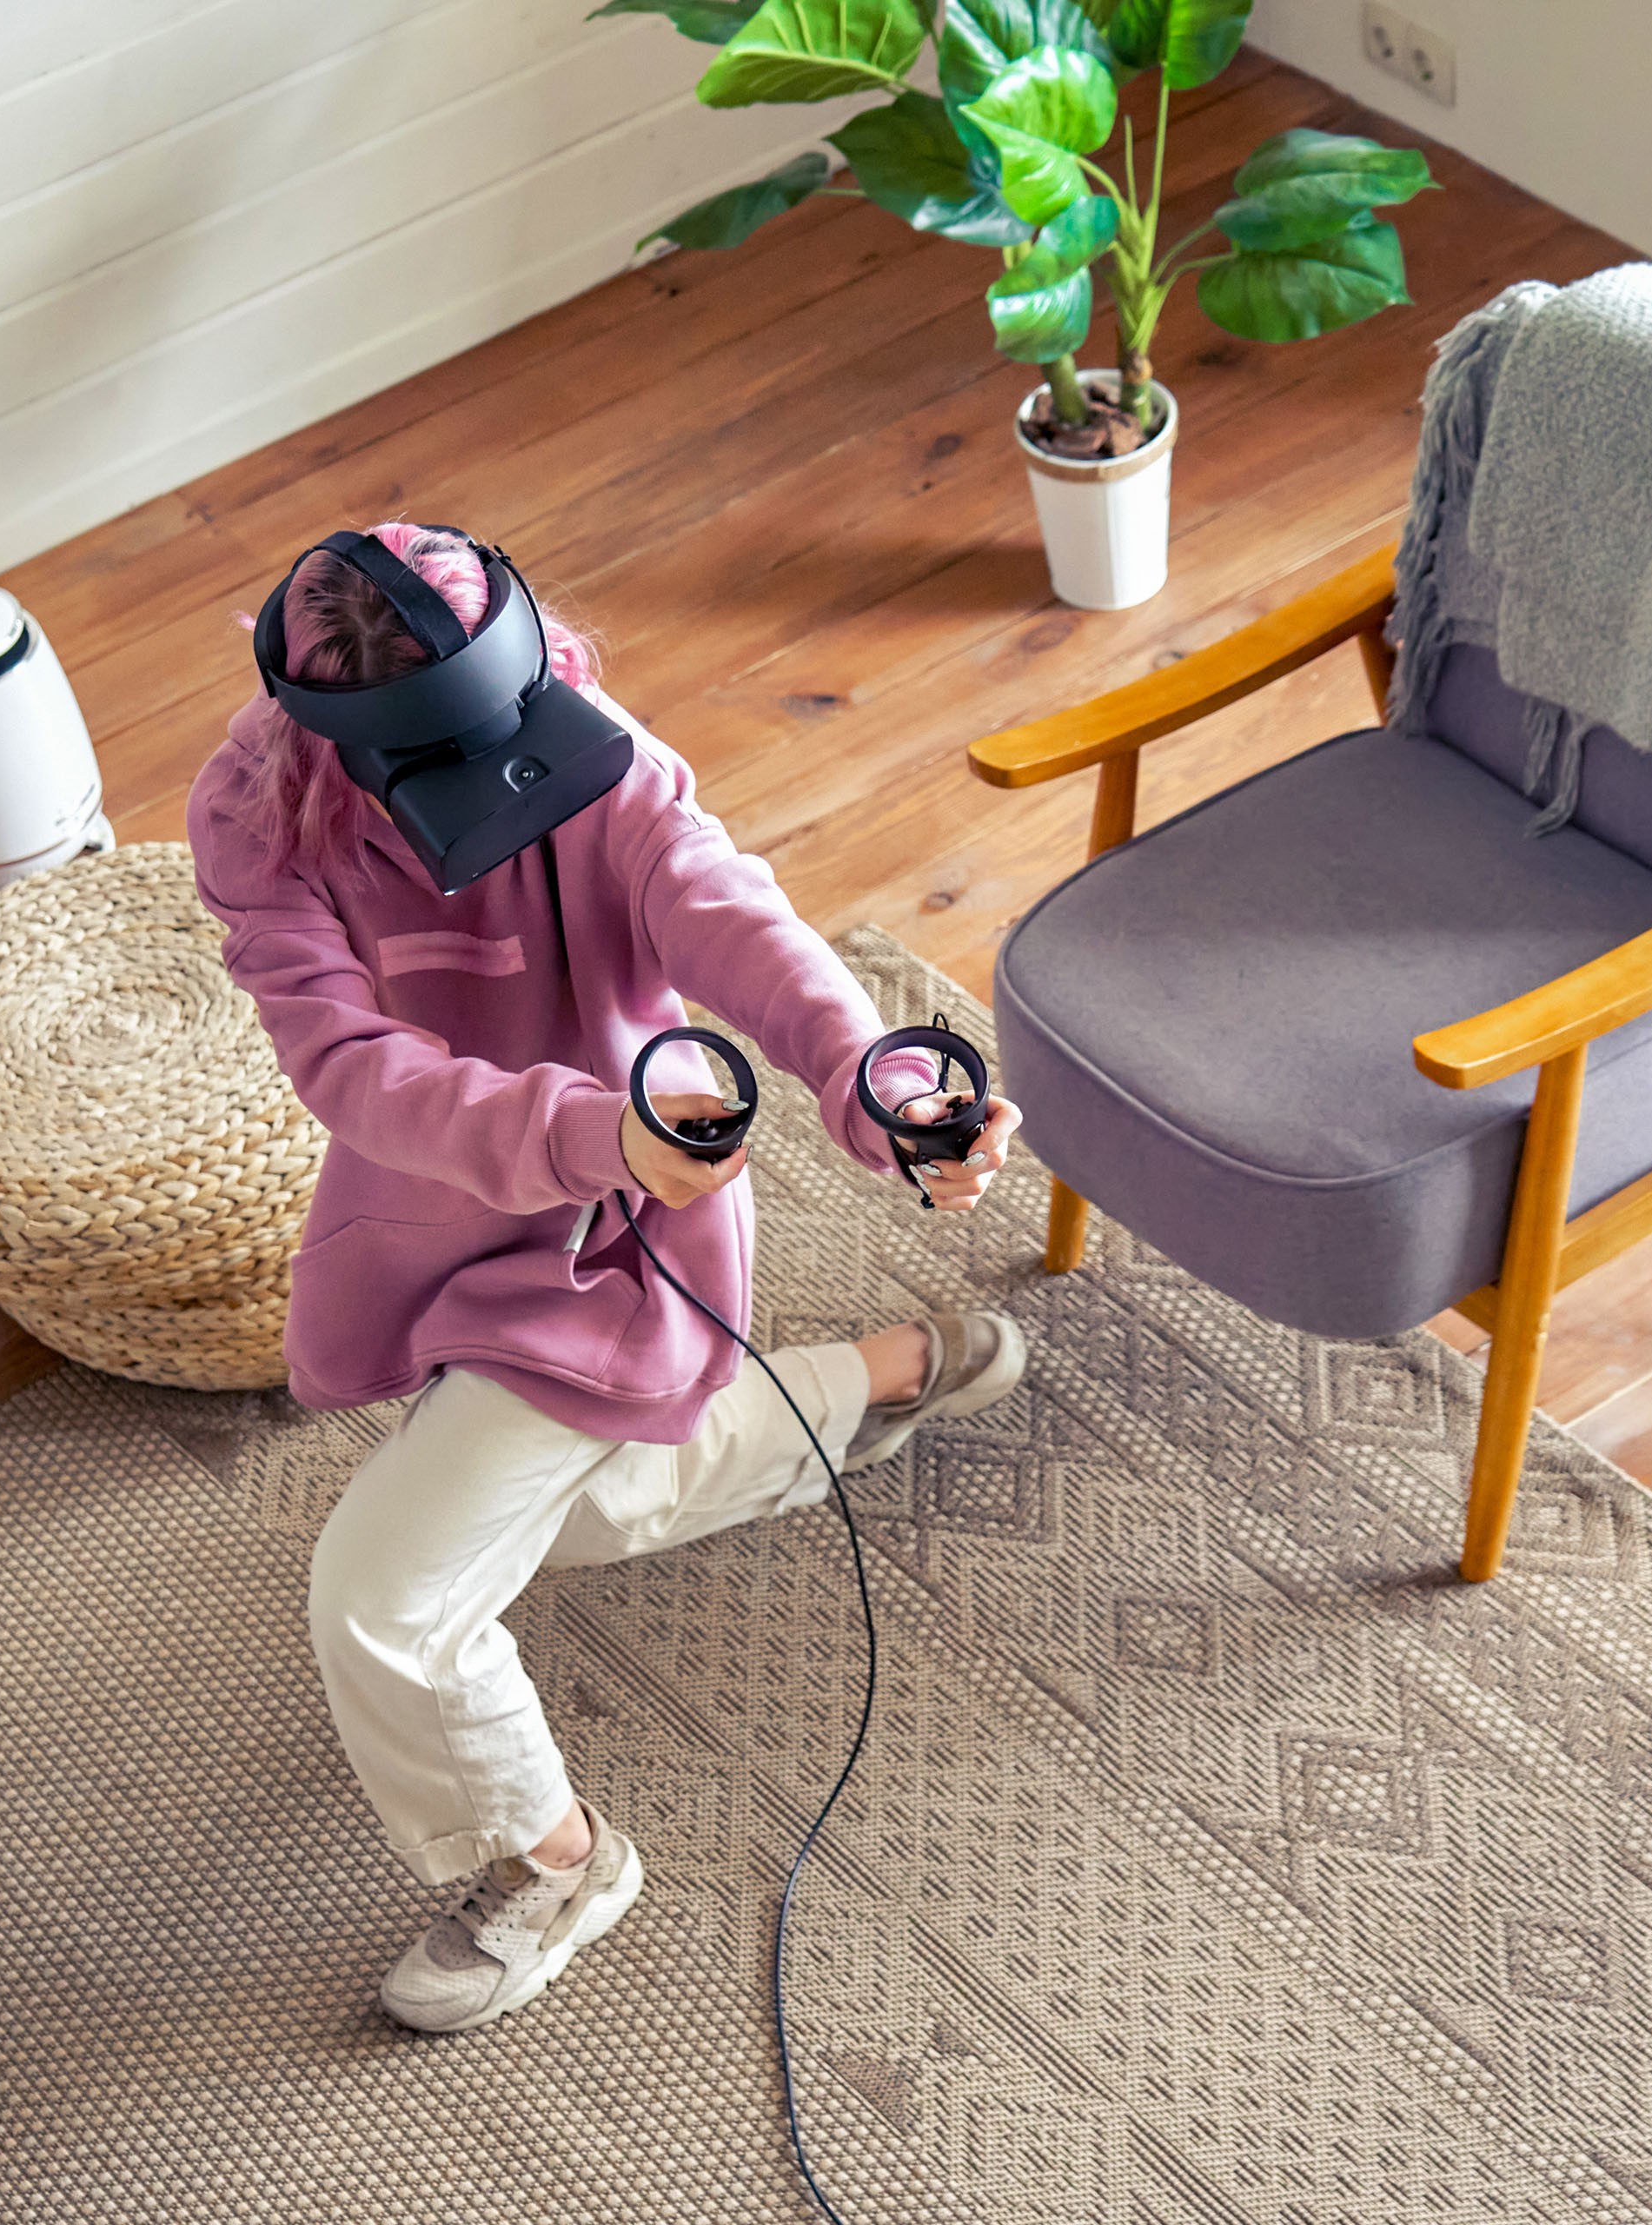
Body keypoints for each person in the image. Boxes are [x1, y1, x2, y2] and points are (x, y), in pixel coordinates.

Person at [187, 522, 1028, 2035]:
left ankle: (557, 1868)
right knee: (589, 1510)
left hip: (628, 1232)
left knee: (384, 1596)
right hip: (463, 1200)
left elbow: (735, 920)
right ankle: (881, 1377)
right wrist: (593, 1130)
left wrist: (877, 1078)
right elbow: (353, 1070)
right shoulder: (260, 811)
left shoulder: (592, 749)